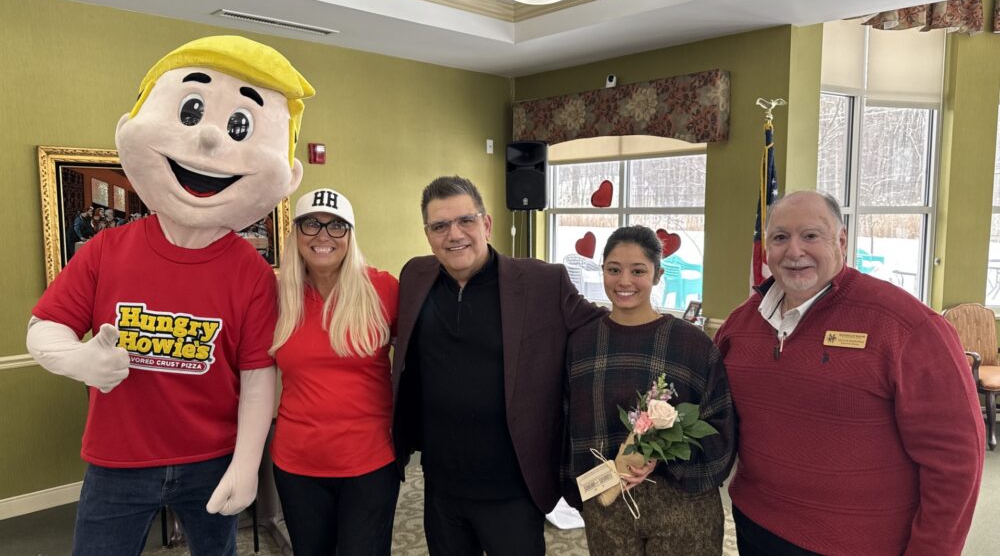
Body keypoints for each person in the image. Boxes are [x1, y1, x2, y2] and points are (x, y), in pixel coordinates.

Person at [26, 36, 313, 555]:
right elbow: (44, 327)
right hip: (117, 461)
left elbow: (257, 375)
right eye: (192, 112)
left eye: (238, 127)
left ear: (287, 174)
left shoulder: (250, 273)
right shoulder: (105, 250)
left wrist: (248, 464)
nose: (207, 140)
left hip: (212, 458)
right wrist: (78, 358)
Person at [714, 191, 984, 556]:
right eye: (780, 237)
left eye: (810, 235)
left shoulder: (907, 326)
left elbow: (956, 460)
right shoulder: (741, 323)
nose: (794, 251)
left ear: (841, 240)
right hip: (755, 527)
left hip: (859, 543)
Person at [391, 175, 604, 556]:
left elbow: (601, 332)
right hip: (441, 485)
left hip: (513, 488)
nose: (454, 234)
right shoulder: (415, 276)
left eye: (465, 221)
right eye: (440, 226)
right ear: (428, 234)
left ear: (486, 224)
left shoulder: (543, 281)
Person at [564, 225, 735, 555]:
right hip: (608, 501)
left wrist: (665, 457)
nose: (624, 281)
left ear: (657, 275)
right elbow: (567, 421)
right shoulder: (582, 344)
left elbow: (720, 423)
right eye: (614, 270)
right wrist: (577, 489)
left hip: (683, 503)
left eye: (638, 271)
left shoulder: (692, 346)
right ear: (602, 271)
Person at [269, 188, 400, 556]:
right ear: (296, 233)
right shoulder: (277, 297)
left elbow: (430, 357)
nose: (323, 235)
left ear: (350, 236)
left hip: (370, 463)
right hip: (297, 466)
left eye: (336, 226)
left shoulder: (383, 289)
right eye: (311, 224)